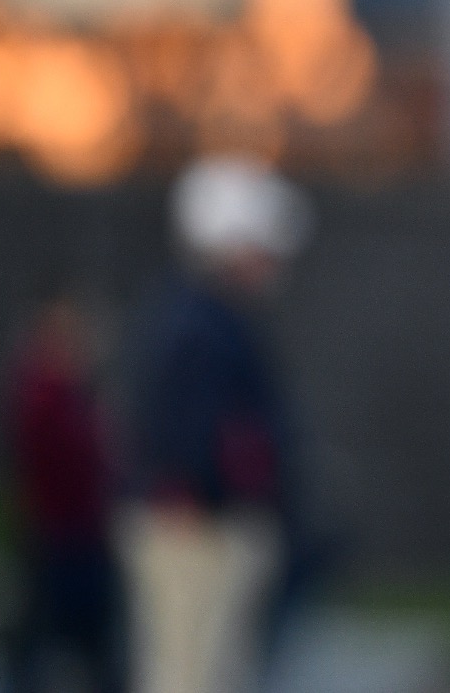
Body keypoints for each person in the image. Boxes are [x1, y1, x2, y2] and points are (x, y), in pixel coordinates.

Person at [121, 156, 309, 693]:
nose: (271, 262)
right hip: (197, 528)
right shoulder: (198, 323)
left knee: (208, 669)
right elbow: (181, 429)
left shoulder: (206, 316)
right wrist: (198, 495)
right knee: (187, 672)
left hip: (209, 521)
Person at [1, 285, 124, 693]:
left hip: (86, 538)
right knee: (38, 655)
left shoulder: (78, 395)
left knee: (99, 658)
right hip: (53, 538)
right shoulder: (39, 393)